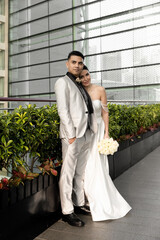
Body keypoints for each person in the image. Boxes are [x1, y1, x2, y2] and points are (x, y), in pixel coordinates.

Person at [79, 65, 132, 221]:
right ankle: (88, 197)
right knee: (86, 164)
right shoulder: (80, 92)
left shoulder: (100, 90)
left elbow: (105, 112)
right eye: (81, 77)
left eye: (87, 74)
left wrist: (106, 133)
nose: (86, 78)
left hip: (99, 130)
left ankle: (98, 198)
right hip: (85, 131)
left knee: (97, 164)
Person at [54, 51, 97, 227]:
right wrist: (71, 135)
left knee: (80, 172)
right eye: (74, 62)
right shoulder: (62, 82)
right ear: (67, 64)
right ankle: (67, 212)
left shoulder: (79, 83)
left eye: (80, 63)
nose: (77, 65)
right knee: (67, 173)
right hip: (72, 136)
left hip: (86, 133)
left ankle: (78, 204)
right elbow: (63, 110)